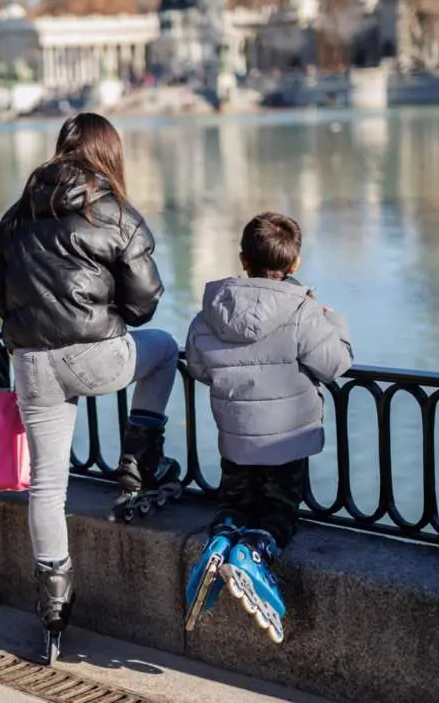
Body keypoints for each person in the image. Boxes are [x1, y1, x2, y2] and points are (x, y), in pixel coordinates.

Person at [0, 112, 181, 663]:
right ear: (108, 155)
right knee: (164, 350)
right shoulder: (113, 213)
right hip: (96, 357)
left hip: (32, 363)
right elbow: (145, 305)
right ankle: (139, 458)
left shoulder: (16, 215)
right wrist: (103, 311)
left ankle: (52, 606)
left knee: (48, 484)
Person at [183, 212, 353, 644]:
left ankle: (221, 542)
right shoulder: (303, 310)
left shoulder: (210, 311)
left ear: (243, 260)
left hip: (235, 436)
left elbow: (199, 366)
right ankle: (253, 554)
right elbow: (335, 364)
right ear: (293, 265)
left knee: (235, 502)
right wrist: (332, 319)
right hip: (287, 440)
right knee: (277, 513)